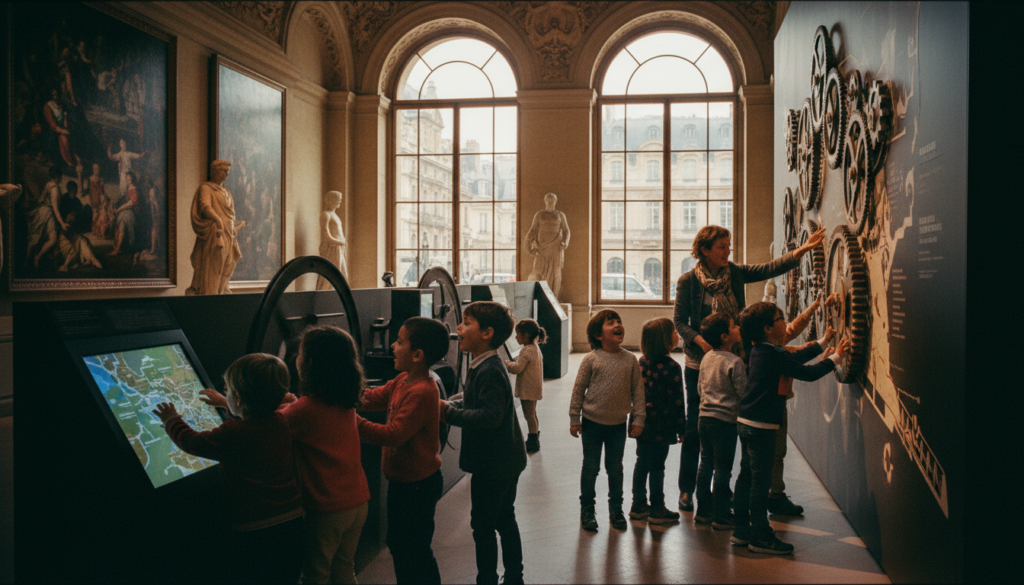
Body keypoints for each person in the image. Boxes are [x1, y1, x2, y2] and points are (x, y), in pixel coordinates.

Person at [672, 224, 825, 512]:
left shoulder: (734, 273)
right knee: (697, 427)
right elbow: (679, 321)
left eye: (728, 245)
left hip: (736, 358)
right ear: (704, 250)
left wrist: (801, 252)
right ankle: (686, 489)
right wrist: (704, 344)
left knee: (733, 423)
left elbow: (768, 269)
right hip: (701, 363)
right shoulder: (687, 281)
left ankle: (726, 490)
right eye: (721, 247)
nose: (727, 251)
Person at [153, 354, 304, 584]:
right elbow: (252, 414)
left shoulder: (233, 433)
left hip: (255, 528)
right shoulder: (281, 422)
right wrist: (225, 401)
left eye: (229, 390)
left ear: (239, 398)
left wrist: (172, 420)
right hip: (293, 520)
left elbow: (192, 442)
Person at [730, 302, 849, 555]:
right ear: (768, 328)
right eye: (780, 318)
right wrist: (835, 357)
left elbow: (793, 358)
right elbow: (807, 373)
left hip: (746, 422)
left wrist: (821, 342)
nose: (785, 321)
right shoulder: (774, 354)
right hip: (762, 426)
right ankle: (761, 536)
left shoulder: (761, 350)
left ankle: (741, 530)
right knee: (760, 484)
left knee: (746, 476)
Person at [356, 317, 449, 585]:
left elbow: (394, 435)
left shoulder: (422, 391)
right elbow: (374, 398)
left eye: (399, 341)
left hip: (418, 487)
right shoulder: (402, 380)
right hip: (403, 483)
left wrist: (353, 422)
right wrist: (346, 395)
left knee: (415, 551)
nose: (393, 347)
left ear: (418, 355)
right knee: (400, 545)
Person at [440, 302, 527, 585]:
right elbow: (481, 400)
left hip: (495, 464)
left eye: (466, 322)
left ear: (487, 333)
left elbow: (489, 416)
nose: (459, 328)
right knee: (504, 518)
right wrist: (457, 400)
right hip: (505, 460)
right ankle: (515, 576)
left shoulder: (488, 369)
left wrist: (448, 413)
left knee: (483, 525)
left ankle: (487, 579)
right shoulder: (484, 363)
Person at [281, 326, 370, 584]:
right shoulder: (344, 401)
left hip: (327, 510)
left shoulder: (304, 410)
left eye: (299, 353)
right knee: (344, 569)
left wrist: (231, 403)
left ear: (308, 363)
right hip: (358, 502)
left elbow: (269, 428)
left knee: (314, 576)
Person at [569, 309, 645, 532]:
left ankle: (616, 510)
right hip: (592, 423)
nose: (617, 325)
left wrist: (638, 418)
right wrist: (575, 417)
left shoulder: (630, 360)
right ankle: (587, 510)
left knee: (615, 468)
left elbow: (638, 392)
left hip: (617, 426)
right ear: (598, 335)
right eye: (610, 323)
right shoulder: (590, 359)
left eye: (618, 321)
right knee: (591, 468)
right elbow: (578, 390)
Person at [629, 318, 684, 525]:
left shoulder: (640, 362)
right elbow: (678, 400)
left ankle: (638, 505)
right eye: (674, 332)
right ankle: (658, 508)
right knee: (658, 466)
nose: (677, 335)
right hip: (663, 423)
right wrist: (682, 428)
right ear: (665, 340)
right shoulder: (672, 367)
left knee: (641, 462)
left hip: (641, 423)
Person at [692, 312, 745, 529]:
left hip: (704, 418)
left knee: (706, 463)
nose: (738, 329)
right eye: (734, 326)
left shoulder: (706, 358)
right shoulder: (735, 361)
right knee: (723, 469)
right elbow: (743, 392)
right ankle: (722, 515)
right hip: (726, 421)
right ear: (725, 336)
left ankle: (703, 511)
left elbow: (699, 388)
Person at [186, 160, 248, 295]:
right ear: (214, 171)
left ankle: (221, 293)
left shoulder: (227, 192)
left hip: (229, 234)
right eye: (223, 170)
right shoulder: (206, 188)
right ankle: (210, 295)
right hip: (215, 234)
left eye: (228, 171)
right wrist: (218, 221)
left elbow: (229, 215)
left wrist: (238, 224)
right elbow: (205, 207)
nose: (226, 173)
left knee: (229, 263)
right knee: (214, 266)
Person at [504, 319, 546, 453]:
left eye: (517, 334)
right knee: (533, 414)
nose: (516, 337)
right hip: (534, 387)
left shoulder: (525, 350)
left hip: (527, 389)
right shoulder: (535, 347)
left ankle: (533, 441)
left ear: (526, 336)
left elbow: (517, 368)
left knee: (528, 416)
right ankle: (535, 437)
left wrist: (507, 364)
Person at [523, 192, 570, 297]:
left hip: (555, 248)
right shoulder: (539, 215)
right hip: (541, 249)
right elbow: (533, 230)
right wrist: (528, 246)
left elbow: (566, 231)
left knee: (555, 274)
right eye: (548, 200)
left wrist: (565, 242)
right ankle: (539, 297)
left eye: (552, 200)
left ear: (555, 201)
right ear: (545, 201)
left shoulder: (560, 215)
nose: (550, 202)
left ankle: (553, 299)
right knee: (538, 272)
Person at [25, 165, 69, 269]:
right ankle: (31, 260)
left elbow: (41, 200)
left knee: (46, 239)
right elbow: (55, 208)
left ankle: (35, 258)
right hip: (46, 213)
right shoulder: (54, 189)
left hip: (44, 211)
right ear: (57, 177)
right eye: (61, 176)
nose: (62, 178)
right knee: (38, 238)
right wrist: (62, 223)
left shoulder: (47, 184)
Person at [316, 190, 348, 288]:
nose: (339, 202)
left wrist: (341, 243)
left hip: (338, 248)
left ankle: (336, 299)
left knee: (342, 275)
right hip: (331, 248)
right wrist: (340, 242)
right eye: (337, 199)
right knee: (330, 276)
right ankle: (325, 298)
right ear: (330, 200)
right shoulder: (325, 214)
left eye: (340, 200)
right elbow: (325, 235)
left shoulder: (335, 215)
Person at [110, 170, 139, 256]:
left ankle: (117, 250)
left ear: (133, 179)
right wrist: (115, 205)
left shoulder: (135, 191)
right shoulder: (129, 190)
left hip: (131, 214)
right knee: (120, 226)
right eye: (127, 179)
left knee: (123, 223)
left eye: (129, 179)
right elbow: (123, 201)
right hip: (126, 212)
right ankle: (118, 247)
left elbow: (129, 204)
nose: (128, 181)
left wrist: (118, 209)